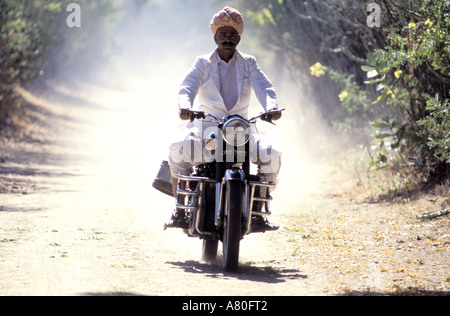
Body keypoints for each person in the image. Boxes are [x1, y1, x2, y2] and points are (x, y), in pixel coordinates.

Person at [165, 6, 282, 230]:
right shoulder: (202, 63)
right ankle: (179, 210)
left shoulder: (249, 63)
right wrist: (185, 106)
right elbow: (186, 88)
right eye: (223, 34)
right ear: (215, 36)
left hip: (241, 130)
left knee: (272, 155)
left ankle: (258, 210)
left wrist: (272, 107)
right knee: (177, 150)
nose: (228, 39)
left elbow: (264, 88)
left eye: (233, 34)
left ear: (239, 36)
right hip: (207, 129)